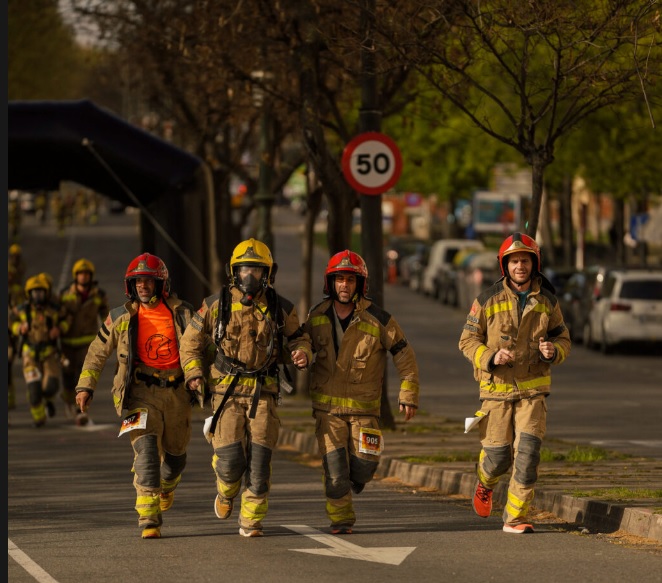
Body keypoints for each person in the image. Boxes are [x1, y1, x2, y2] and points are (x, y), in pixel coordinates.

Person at [179, 238, 312, 538]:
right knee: (230, 463)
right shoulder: (217, 304)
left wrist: (302, 353)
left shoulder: (281, 307)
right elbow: (190, 342)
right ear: (234, 272)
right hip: (226, 392)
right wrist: (194, 373)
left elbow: (299, 338)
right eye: (244, 269)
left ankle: (251, 520)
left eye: (256, 269)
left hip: (264, 394)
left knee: (260, 463)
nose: (249, 276)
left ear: (268, 273)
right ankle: (226, 490)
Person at [74, 253, 198, 539]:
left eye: (148, 281)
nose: (142, 286)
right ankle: (148, 517)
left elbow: (204, 349)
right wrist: (85, 387)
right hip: (138, 393)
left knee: (176, 458)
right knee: (146, 453)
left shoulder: (183, 313)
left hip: (177, 393)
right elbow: (96, 352)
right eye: (137, 282)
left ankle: (167, 484)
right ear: (130, 285)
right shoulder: (120, 317)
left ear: (161, 285)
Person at [300, 250, 420, 535]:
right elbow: (301, 342)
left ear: (360, 284)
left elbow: (404, 355)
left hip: (365, 412)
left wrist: (408, 393)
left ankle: (353, 479)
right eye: (339, 279)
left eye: (350, 280)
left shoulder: (378, 319)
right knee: (335, 472)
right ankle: (341, 519)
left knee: (365, 467)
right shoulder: (316, 316)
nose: (344, 285)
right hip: (328, 413)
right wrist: (302, 353)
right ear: (330, 282)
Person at [458, 232, 571, 534]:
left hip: (533, 392)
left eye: (525, 260)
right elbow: (467, 340)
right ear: (504, 265)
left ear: (534, 264)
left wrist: (553, 351)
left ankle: (515, 517)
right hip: (495, 392)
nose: (520, 266)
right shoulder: (486, 299)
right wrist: (491, 356)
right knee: (497, 458)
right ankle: (485, 483)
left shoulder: (548, 301)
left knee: (528, 455)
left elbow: (563, 338)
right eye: (514, 261)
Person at [9, 273, 68, 427]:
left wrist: (59, 328)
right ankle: (39, 417)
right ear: (29, 294)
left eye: (41, 292)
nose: (38, 296)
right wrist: (18, 328)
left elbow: (67, 318)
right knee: (34, 390)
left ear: (46, 293)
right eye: (35, 293)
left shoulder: (54, 309)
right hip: (30, 354)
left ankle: (48, 400)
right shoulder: (23, 310)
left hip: (49, 353)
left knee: (51, 387)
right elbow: (10, 320)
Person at [58, 258, 110, 425]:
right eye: (80, 274)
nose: (84, 277)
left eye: (87, 274)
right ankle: (68, 400)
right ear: (76, 276)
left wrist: (109, 334)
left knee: (82, 377)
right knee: (67, 377)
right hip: (67, 343)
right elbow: (57, 315)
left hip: (87, 343)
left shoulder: (99, 295)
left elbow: (106, 316)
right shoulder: (65, 294)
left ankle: (79, 410)